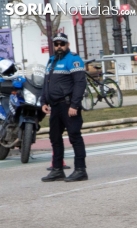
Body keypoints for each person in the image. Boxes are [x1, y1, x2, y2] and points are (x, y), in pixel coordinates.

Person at [41, 33, 88, 182]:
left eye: (62, 44)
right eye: (56, 44)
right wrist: (44, 101)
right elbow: (46, 83)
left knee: (74, 136)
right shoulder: (52, 60)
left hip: (68, 105)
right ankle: (57, 169)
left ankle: (80, 170)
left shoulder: (73, 59)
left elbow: (80, 83)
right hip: (55, 106)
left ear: (67, 45)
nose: (59, 46)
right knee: (54, 137)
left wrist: (74, 105)